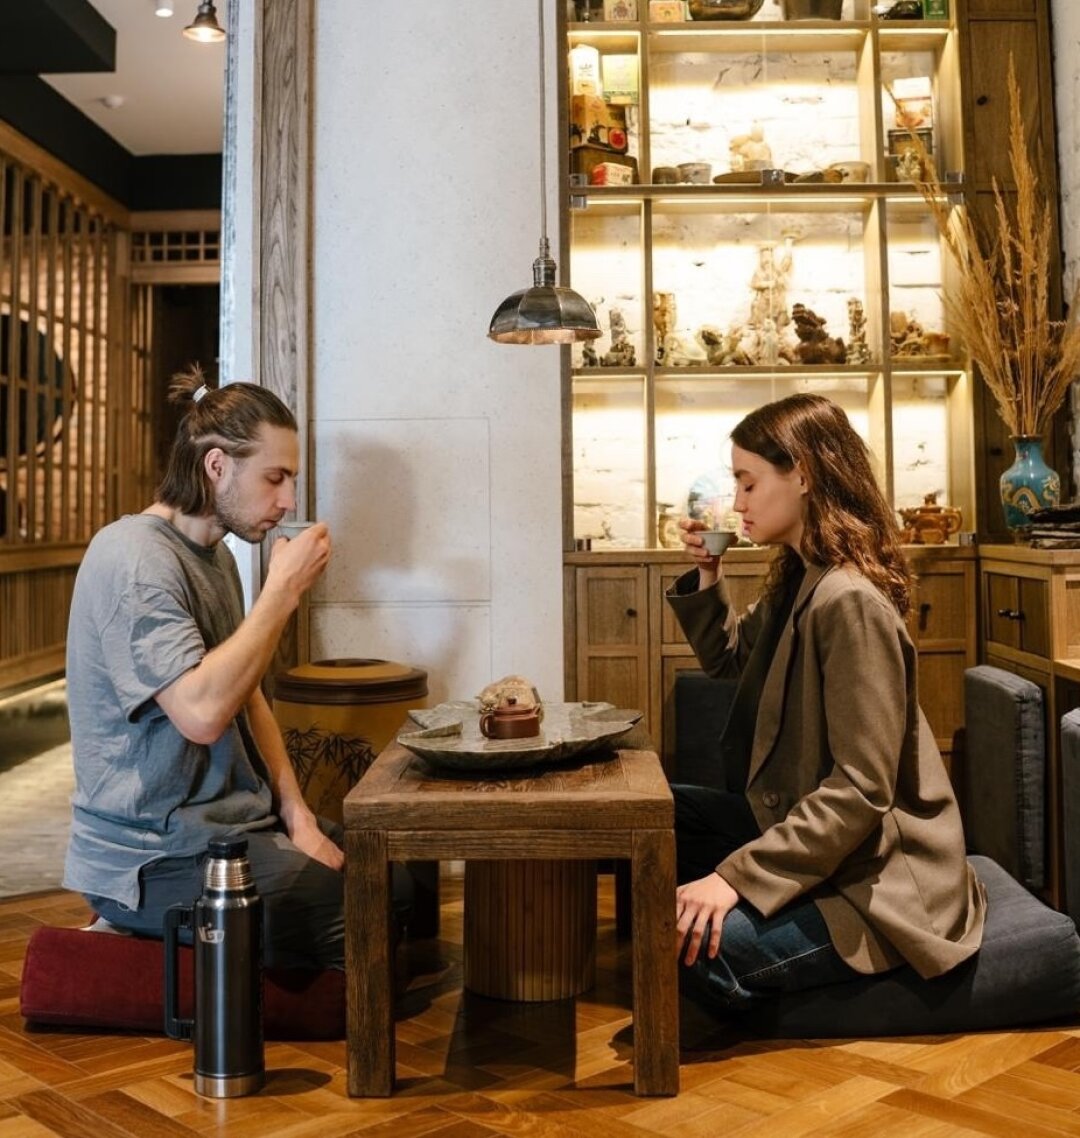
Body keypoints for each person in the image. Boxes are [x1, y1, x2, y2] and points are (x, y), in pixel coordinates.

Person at [62, 366, 399, 970]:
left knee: (398, 876)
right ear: (216, 466)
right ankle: (122, 930)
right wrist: (281, 593)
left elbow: (248, 696)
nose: (288, 500)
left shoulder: (215, 557)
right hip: (151, 854)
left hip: (232, 827)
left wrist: (296, 815)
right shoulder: (134, 559)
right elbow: (202, 715)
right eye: (275, 477)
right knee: (351, 909)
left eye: (291, 480)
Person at [668, 393, 985, 1017]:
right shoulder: (800, 576)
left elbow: (861, 790)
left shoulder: (848, 601)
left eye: (748, 482)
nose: (737, 502)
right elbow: (729, 660)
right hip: (819, 838)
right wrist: (708, 572)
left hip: (877, 878)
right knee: (659, 814)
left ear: (804, 475)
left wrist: (732, 879)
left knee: (690, 950)